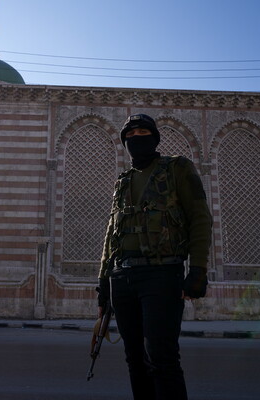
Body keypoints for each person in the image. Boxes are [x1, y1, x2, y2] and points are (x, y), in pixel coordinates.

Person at [97, 113, 212, 400]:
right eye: (130, 135)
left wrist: (198, 269)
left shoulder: (178, 168)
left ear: (155, 138)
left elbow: (200, 218)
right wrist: (103, 283)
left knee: (161, 358)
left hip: (161, 274)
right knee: (135, 360)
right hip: (122, 278)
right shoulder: (123, 181)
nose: (136, 138)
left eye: (142, 133)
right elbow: (112, 232)